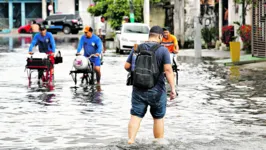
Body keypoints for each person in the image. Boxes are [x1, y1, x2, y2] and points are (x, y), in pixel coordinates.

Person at [124, 26, 176, 144]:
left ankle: (131, 140)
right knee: (158, 118)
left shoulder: (137, 48)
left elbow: (127, 66)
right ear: (160, 36)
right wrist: (173, 89)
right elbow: (168, 70)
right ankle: (158, 143)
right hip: (157, 91)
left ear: (149, 35)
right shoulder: (163, 50)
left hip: (138, 90)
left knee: (135, 115)